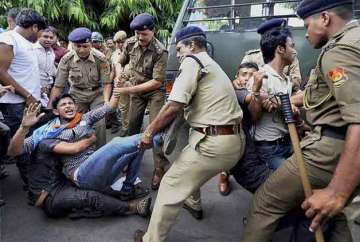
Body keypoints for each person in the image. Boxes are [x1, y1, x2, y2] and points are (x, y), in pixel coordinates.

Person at [241, 1, 358, 241]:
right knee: (327, 214)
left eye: (307, 25)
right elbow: (323, 95)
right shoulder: (353, 41)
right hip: (319, 145)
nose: (305, 33)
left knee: (264, 205)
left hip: (332, 149)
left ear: (325, 18)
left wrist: (337, 191)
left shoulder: (339, 51)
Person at [133, 26, 245, 242]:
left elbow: (174, 105)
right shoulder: (212, 65)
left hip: (213, 143)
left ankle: (150, 240)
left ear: (192, 45)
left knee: (170, 184)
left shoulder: (193, 61)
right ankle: (193, 202)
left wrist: (148, 131)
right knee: (184, 159)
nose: (178, 54)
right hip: (232, 140)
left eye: (179, 49)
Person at [8, 85, 150, 201]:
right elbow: (14, 151)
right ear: (56, 112)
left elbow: (110, 107)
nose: (68, 106)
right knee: (117, 143)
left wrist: (117, 89)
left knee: (137, 147)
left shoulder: (85, 118)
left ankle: (127, 189)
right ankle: (157, 135)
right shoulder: (47, 131)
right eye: (64, 105)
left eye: (71, 103)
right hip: (82, 175)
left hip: (102, 172)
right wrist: (24, 128)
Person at [116, 13, 169, 190]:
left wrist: (127, 89)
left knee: (155, 130)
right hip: (136, 89)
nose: (140, 38)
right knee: (132, 127)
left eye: (144, 34)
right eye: (137, 34)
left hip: (155, 92)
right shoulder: (130, 43)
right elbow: (120, 61)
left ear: (152, 31)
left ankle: (159, 168)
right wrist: (120, 75)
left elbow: (157, 81)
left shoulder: (160, 51)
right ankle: (130, 160)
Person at [0, 8, 46, 186]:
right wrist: (27, 95)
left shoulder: (24, 41)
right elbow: (1, 72)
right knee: (22, 143)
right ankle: (32, 186)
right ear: (34, 27)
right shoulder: (8, 38)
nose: (41, 34)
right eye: (41, 30)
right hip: (15, 103)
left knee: (32, 140)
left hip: (29, 102)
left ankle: (36, 180)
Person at [48, 27, 112, 148]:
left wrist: (107, 103)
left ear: (91, 44)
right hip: (77, 94)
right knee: (74, 122)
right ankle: (76, 152)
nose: (81, 50)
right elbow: (58, 86)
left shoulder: (100, 58)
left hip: (96, 94)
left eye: (85, 46)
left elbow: (107, 83)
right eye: (78, 46)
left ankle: (100, 153)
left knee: (99, 124)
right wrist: (51, 106)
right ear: (72, 45)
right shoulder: (66, 59)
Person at [242, 18, 302, 92]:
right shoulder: (251, 57)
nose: (295, 51)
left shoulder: (286, 79)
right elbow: (242, 77)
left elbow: (296, 80)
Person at [110, 30, 128, 135]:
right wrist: (109, 82)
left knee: (134, 106)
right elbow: (113, 69)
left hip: (131, 82)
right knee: (123, 107)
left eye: (121, 41)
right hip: (118, 84)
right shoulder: (114, 54)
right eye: (117, 42)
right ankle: (125, 127)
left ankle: (133, 126)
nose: (119, 44)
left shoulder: (132, 51)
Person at [34, 27, 57, 107]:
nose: (49, 39)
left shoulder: (51, 51)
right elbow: (29, 72)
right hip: (34, 90)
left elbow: (52, 70)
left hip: (47, 90)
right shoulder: (33, 50)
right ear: (39, 36)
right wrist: (40, 88)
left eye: (51, 37)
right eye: (45, 36)